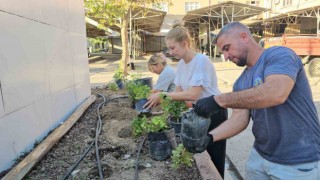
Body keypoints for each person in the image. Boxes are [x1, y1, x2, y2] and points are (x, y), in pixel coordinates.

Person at [194, 22, 320, 179]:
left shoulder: (279, 55)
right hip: (259, 157)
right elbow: (239, 119)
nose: (225, 56)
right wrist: (209, 138)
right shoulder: (240, 82)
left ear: (244, 36)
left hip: (296, 162)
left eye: (227, 48)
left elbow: (276, 93)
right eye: (223, 52)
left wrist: (218, 100)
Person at [144, 21, 228, 178]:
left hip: (215, 113)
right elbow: (178, 92)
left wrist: (162, 95)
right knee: (201, 151)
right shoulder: (182, 64)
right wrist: (164, 110)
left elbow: (193, 94)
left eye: (173, 48)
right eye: (169, 48)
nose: (170, 53)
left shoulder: (201, 61)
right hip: (199, 112)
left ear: (184, 43)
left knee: (214, 157)